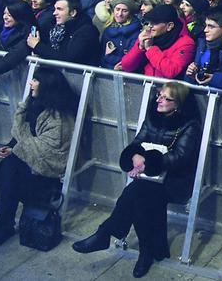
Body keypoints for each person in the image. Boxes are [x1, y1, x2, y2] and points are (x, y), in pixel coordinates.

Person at [73, 82, 202, 278]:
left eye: (166, 98)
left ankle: (106, 234)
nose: (159, 100)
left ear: (178, 104)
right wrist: (135, 156)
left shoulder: (189, 125)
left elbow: (180, 157)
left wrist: (147, 162)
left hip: (176, 179)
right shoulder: (153, 115)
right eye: (159, 95)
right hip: (150, 174)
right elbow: (138, 141)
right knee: (141, 195)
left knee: (137, 193)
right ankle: (147, 251)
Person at [0, 68, 75, 248]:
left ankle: (3, 222)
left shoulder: (59, 118)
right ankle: (2, 221)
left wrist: (15, 150)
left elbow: (47, 152)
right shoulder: (35, 105)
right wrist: (10, 147)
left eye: (35, 80)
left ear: (46, 85)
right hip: (30, 163)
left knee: (9, 169)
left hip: (47, 172)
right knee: (10, 166)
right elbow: (24, 136)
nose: (31, 83)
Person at [119, 4, 195, 78]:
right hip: (144, 83)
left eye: (155, 23)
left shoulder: (186, 43)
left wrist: (150, 49)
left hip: (168, 86)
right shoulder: (148, 36)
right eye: (149, 22)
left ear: (169, 26)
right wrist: (140, 47)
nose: (150, 26)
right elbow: (126, 66)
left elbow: (171, 71)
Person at [28, 0, 101, 66]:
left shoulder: (87, 31)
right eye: (55, 9)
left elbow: (68, 58)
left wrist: (38, 46)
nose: (54, 13)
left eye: (59, 9)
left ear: (72, 13)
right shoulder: (53, 26)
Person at [99, 0, 141, 69]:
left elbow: (131, 60)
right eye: (117, 9)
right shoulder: (108, 29)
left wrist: (108, 56)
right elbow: (101, 54)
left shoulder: (136, 33)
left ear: (130, 13)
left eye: (124, 11)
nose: (120, 14)